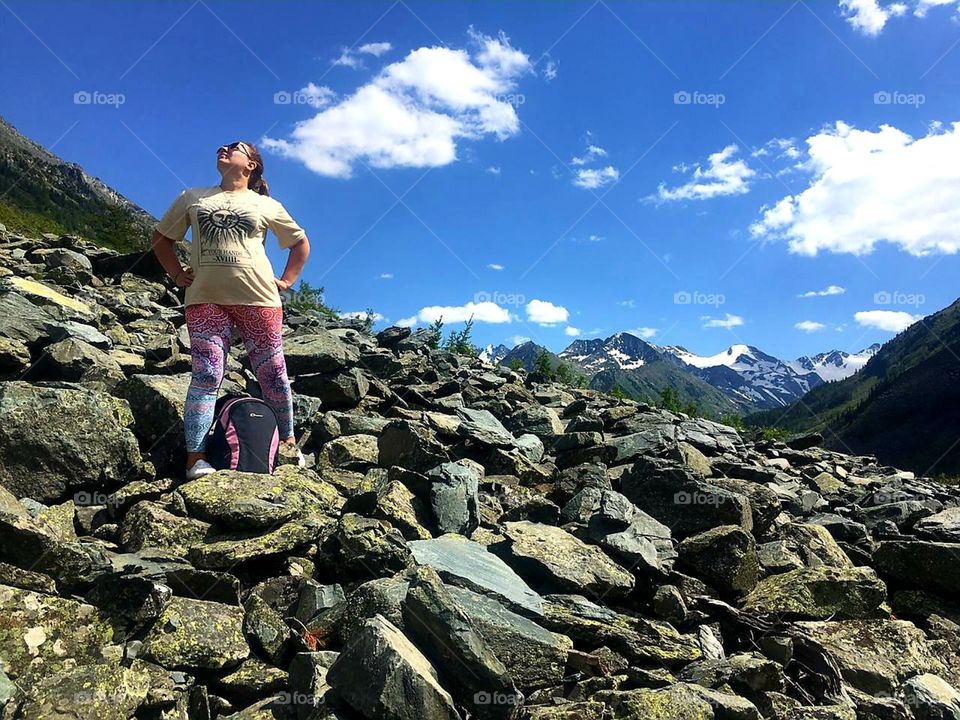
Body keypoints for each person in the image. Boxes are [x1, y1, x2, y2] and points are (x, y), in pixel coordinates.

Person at [150, 140, 311, 479]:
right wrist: (177, 274)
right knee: (207, 374)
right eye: (223, 146)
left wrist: (286, 280)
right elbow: (161, 238)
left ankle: (288, 444)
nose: (223, 148)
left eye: (234, 147)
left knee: (273, 373)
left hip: (259, 299)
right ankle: (195, 459)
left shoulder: (266, 204)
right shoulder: (193, 197)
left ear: (251, 165)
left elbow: (299, 243)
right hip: (205, 299)